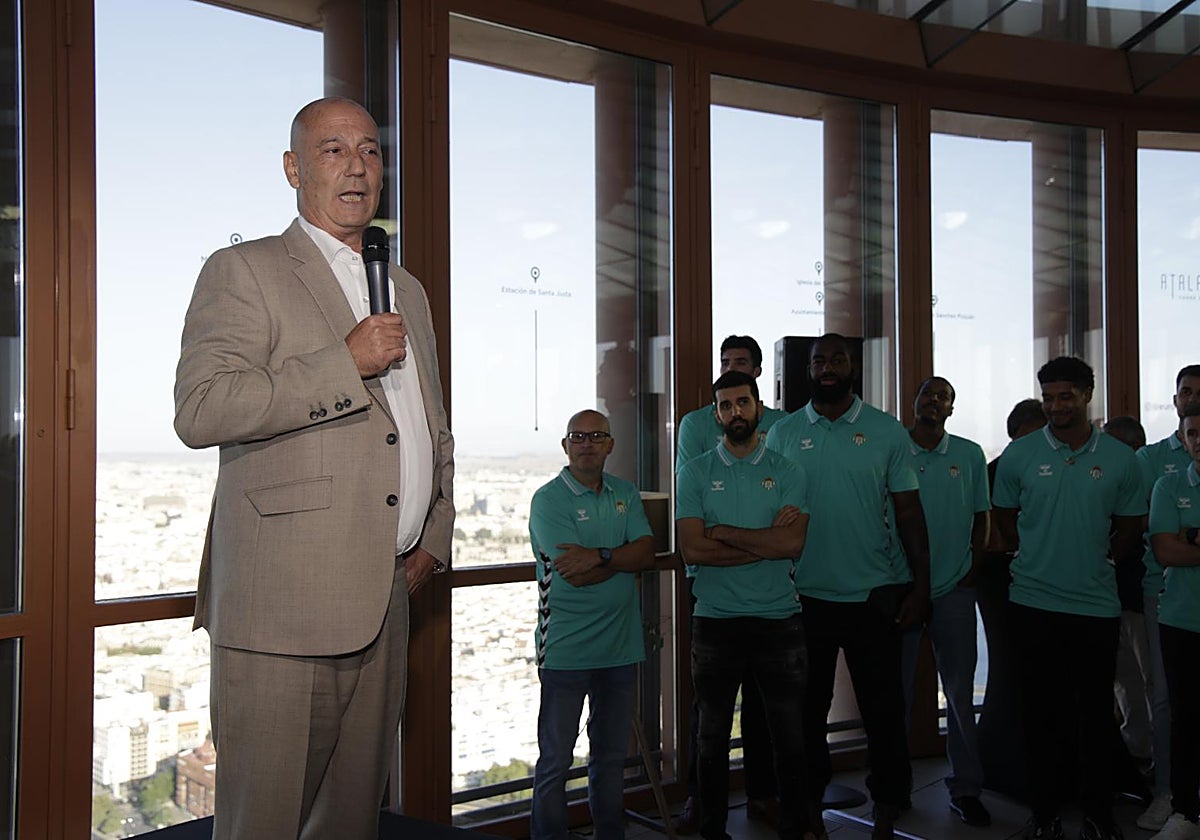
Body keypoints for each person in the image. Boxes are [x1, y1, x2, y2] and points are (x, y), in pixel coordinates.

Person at [173, 98, 454, 840]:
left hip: (389, 598)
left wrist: (436, 532)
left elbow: (430, 427)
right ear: (294, 169)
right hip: (281, 612)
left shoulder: (408, 288)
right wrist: (344, 361)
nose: (358, 165)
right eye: (333, 149)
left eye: (370, 149)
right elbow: (201, 410)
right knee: (264, 822)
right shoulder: (245, 269)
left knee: (351, 822)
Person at [766, 333, 930, 840]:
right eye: (820, 361)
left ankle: (888, 805)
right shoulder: (784, 434)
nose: (828, 368)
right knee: (806, 715)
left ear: (853, 367)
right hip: (804, 598)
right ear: (808, 369)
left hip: (874, 595)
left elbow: (908, 512)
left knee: (883, 712)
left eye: (838, 359)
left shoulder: (886, 432)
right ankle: (808, 807)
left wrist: (921, 587)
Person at [993, 357, 1144, 840]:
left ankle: (1099, 815)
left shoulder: (1120, 459)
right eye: (1048, 397)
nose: (1056, 406)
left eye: (1065, 397)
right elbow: (1005, 516)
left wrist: (1093, 557)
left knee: (1095, 717)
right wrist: (1037, 554)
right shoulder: (1019, 455)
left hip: (1095, 606)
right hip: (1033, 604)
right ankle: (1045, 813)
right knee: (1041, 716)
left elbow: (1128, 529)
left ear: (1087, 395)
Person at [676, 370, 812, 840]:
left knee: (790, 738)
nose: (736, 411)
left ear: (758, 407)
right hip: (715, 622)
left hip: (779, 619)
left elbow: (791, 545)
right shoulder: (693, 474)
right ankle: (713, 831)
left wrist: (726, 533)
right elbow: (692, 550)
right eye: (726, 405)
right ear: (717, 415)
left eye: (743, 402)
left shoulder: (789, 471)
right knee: (711, 739)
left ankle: (794, 827)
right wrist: (764, 541)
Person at [528, 410, 656, 840]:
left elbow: (645, 554)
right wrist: (621, 558)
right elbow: (572, 572)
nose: (586, 443)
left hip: (621, 648)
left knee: (610, 757)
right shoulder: (548, 500)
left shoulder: (626, 492)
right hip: (566, 649)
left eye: (596, 435)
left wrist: (602, 556)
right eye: (577, 436)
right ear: (565, 445)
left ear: (610, 445)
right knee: (555, 763)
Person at [898, 377, 992, 827]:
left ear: (951, 409)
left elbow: (982, 518)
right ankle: (893, 785)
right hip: (902, 588)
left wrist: (971, 572)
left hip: (955, 589)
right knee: (892, 693)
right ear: (913, 403)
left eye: (943, 397)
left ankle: (967, 787)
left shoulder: (969, 454)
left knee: (958, 694)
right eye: (927, 395)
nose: (934, 402)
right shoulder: (892, 449)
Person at [1134, 365, 1200, 832]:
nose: (1192, 399)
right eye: (1186, 393)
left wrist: (1190, 538)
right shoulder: (1157, 466)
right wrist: (1181, 541)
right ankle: (1172, 797)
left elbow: (1181, 542)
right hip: (1171, 604)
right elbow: (1162, 544)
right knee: (1171, 704)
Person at [1103, 417, 1153, 784]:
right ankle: (1136, 751)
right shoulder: (1105, 484)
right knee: (1124, 683)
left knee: (1152, 680)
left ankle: (1161, 761)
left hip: (1140, 599)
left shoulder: (1151, 486)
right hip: (1106, 599)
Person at [675, 335, 788, 470]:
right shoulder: (695, 423)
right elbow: (688, 481)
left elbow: (787, 475)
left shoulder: (782, 423)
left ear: (756, 371)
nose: (730, 369)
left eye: (740, 363)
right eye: (725, 363)